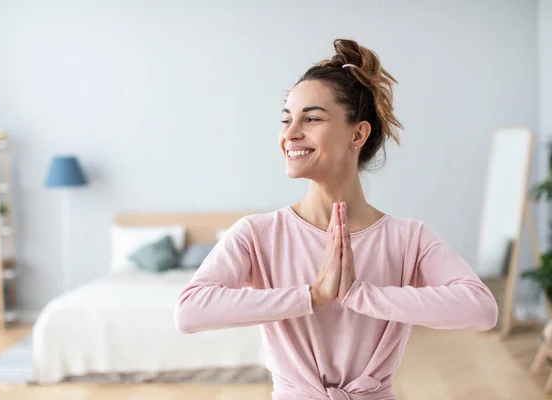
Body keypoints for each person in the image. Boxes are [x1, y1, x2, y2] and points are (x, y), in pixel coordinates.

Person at [174, 38, 498, 400]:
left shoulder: (408, 238)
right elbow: (190, 312)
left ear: (357, 133)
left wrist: (361, 295)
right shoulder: (258, 234)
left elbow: (481, 310)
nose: (290, 133)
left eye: (311, 118)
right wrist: (311, 296)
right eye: (286, 119)